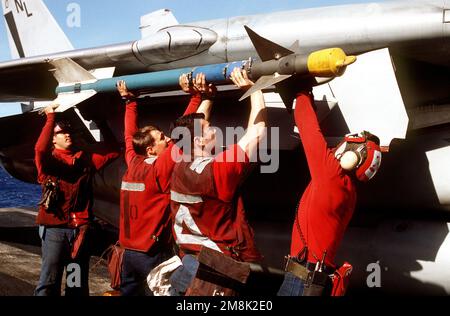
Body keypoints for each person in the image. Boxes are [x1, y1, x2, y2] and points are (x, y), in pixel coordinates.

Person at [168, 68, 266, 295]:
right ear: (200, 140)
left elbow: (193, 126)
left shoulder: (177, 164)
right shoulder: (218, 170)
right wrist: (255, 89)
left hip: (188, 262)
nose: (214, 128)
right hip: (211, 272)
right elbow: (257, 133)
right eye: (209, 127)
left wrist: (208, 98)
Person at [116, 73, 216, 296]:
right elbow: (184, 132)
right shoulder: (159, 169)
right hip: (152, 255)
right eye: (162, 138)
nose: (168, 139)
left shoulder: (133, 161)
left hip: (128, 254)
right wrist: (195, 96)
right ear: (150, 149)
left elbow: (128, 136)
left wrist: (129, 102)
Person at [278, 89, 382, 296]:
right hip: (311, 280)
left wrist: (301, 91)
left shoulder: (331, 175)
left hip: (300, 282)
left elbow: (308, 129)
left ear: (353, 157)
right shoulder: (349, 190)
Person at [34, 104, 119, 296]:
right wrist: (50, 118)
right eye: (61, 133)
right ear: (53, 140)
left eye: (68, 131)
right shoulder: (48, 163)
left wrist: (101, 122)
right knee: (49, 282)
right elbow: (39, 149)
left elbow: (112, 150)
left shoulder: (84, 160)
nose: (67, 134)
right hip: (55, 229)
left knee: (76, 282)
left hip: (79, 231)